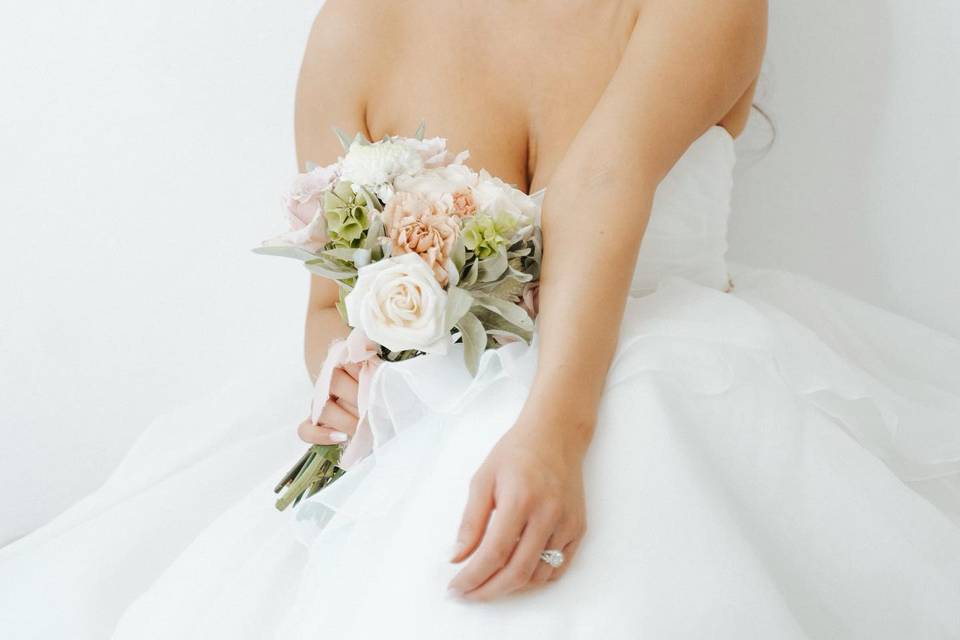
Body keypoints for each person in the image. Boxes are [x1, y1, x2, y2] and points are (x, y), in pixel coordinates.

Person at [2, 0, 959, 637]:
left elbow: (600, 180)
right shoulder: (361, 24)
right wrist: (345, 381)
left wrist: (552, 435)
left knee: (647, 447)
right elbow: (329, 299)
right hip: (436, 411)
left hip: (664, 368)